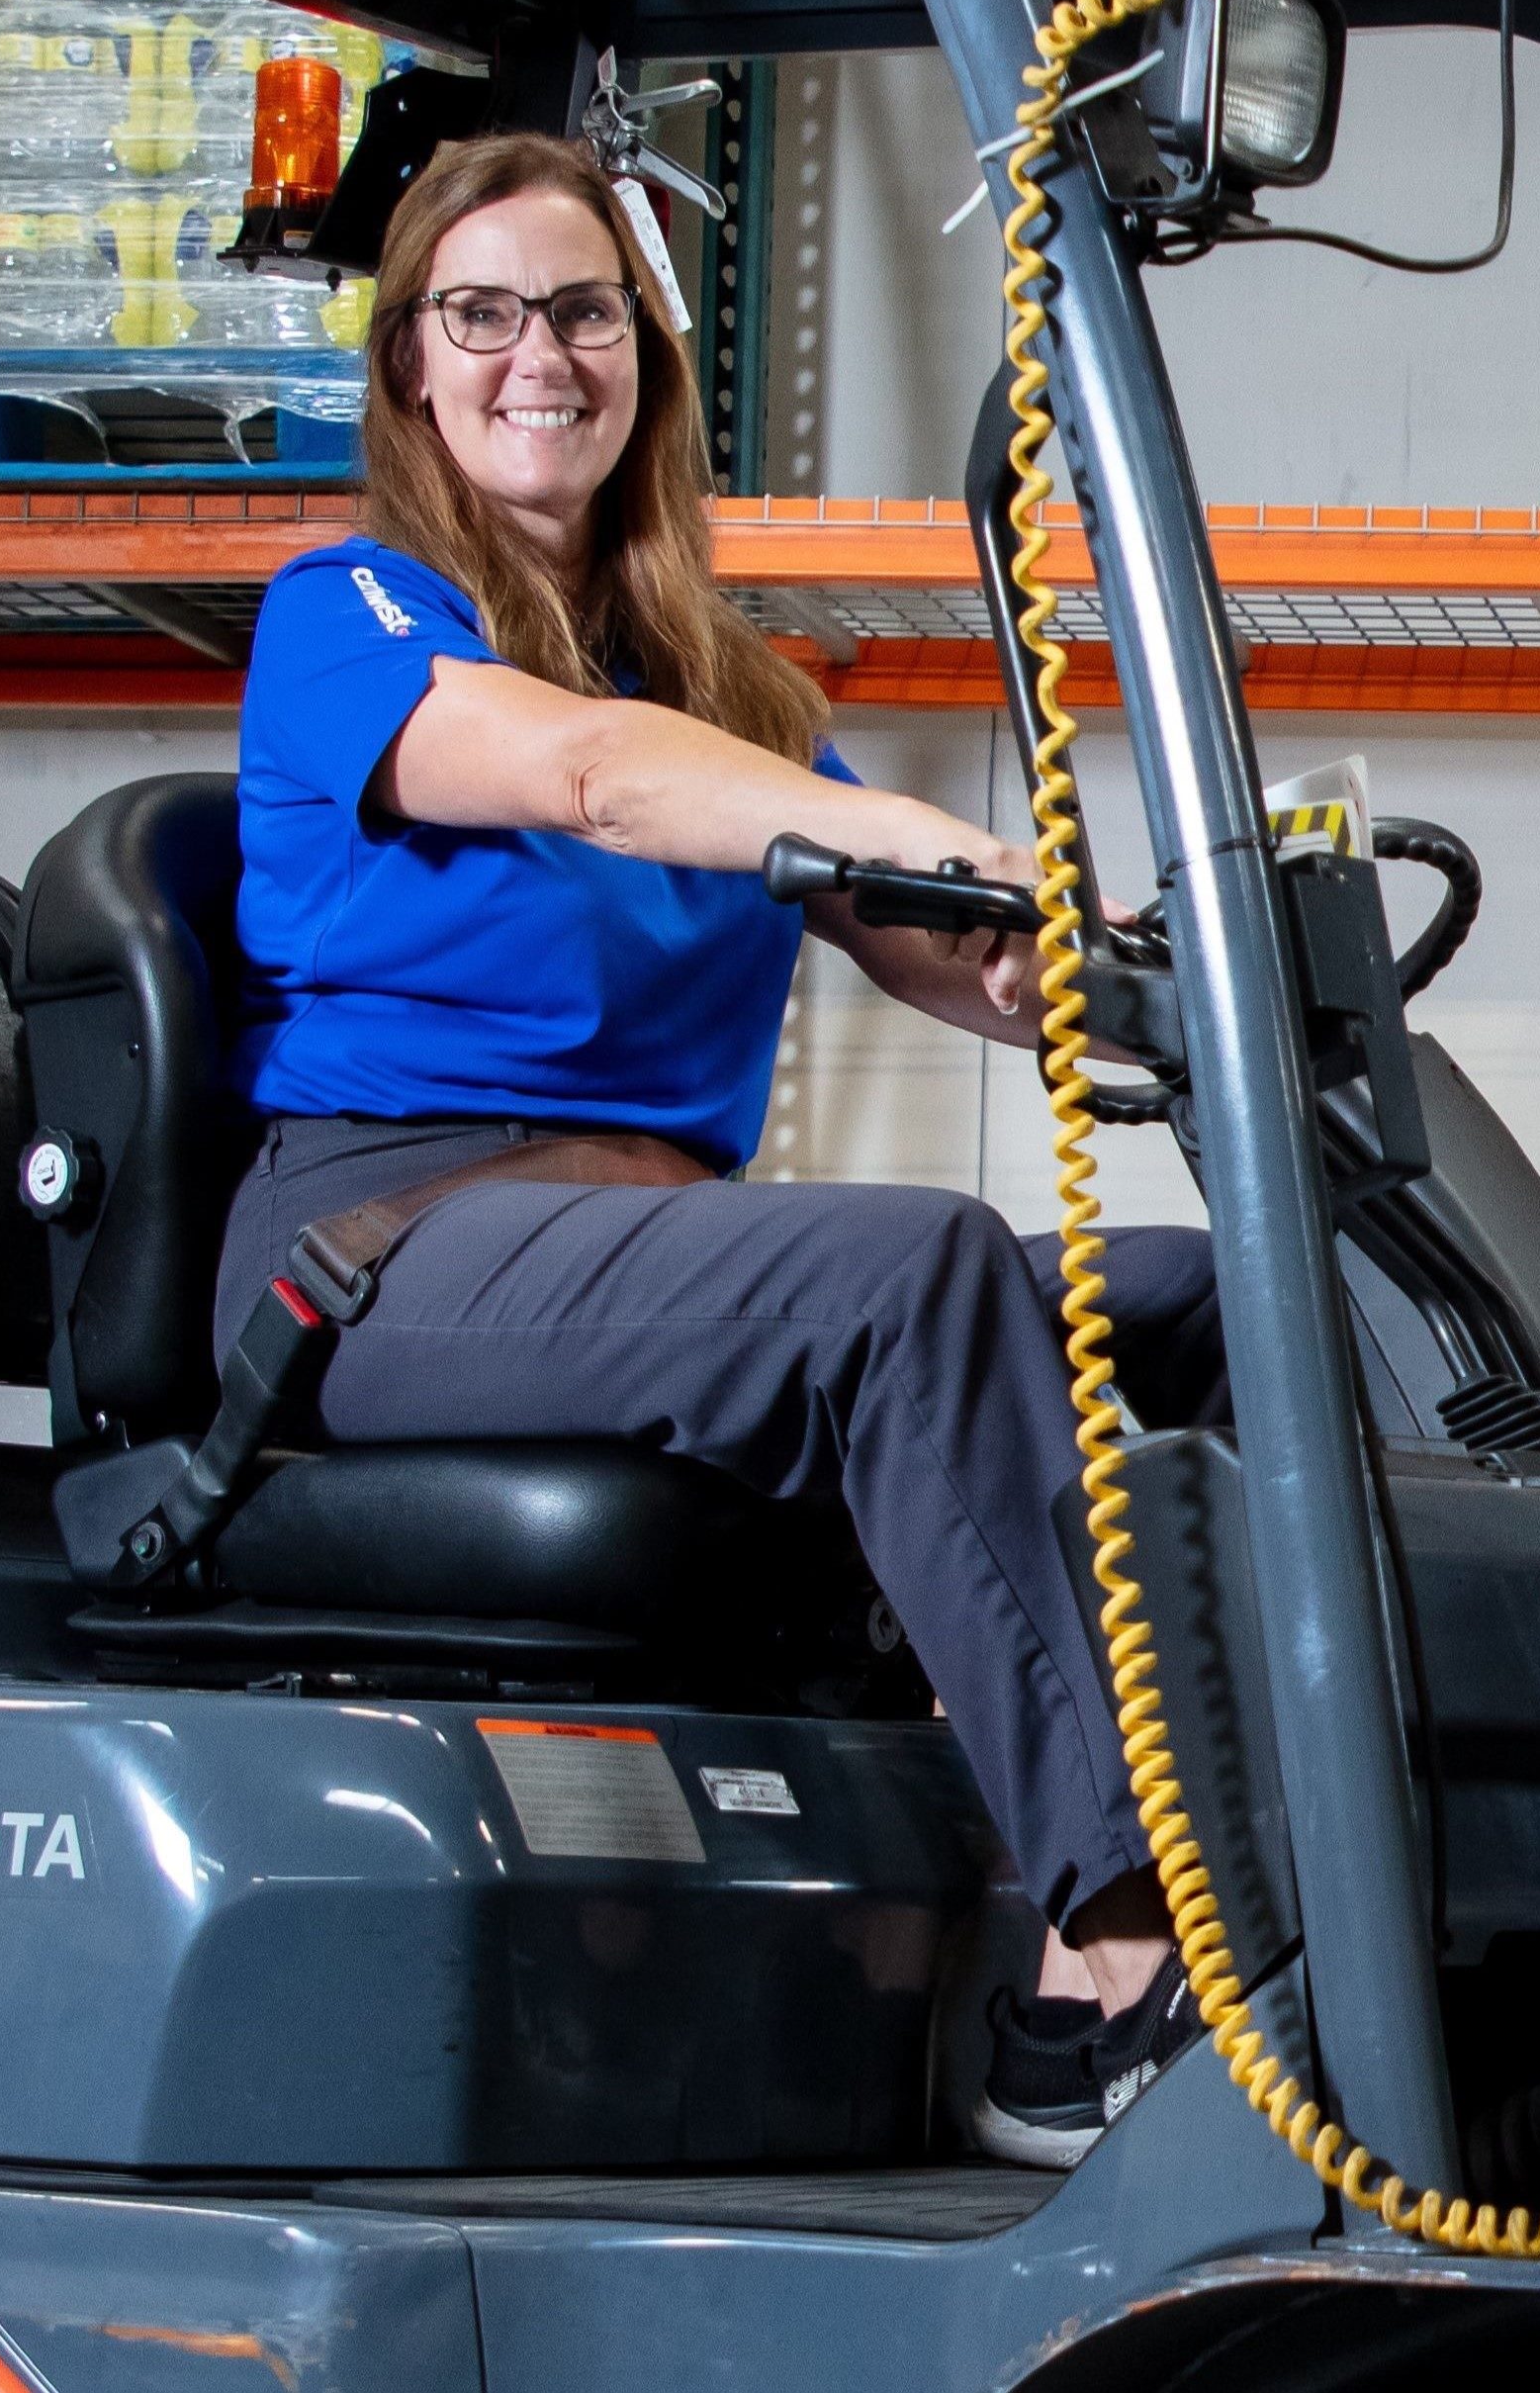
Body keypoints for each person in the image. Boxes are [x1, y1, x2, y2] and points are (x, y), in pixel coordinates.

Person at [219, 131, 1210, 2169]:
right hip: (393, 1243)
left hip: (640, 1256)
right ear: (410, 364)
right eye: (480, 314)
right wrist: (929, 838)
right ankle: (1124, 1963)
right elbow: (583, 780)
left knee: (1195, 1307)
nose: (537, 356)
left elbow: (936, 956)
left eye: (581, 310)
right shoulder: (356, 615)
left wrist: (1129, 965)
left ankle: (1173, 1896)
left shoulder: (729, 690)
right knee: (909, 1268)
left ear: (644, 359)